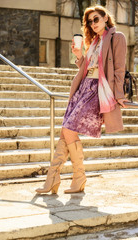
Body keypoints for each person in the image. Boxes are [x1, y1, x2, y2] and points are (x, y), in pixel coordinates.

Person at [36, 5, 128, 194]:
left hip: (98, 90)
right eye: (89, 21)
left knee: (69, 129)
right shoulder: (94, 41)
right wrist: (79, 56)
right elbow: (87, 67)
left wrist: (119, 94)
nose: (93, 24)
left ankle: (71, 178)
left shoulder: (117, 38)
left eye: (96, 19)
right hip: (83, 88)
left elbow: (119, 68)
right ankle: (58, 180)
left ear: (105, 18)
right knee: (65, 130)